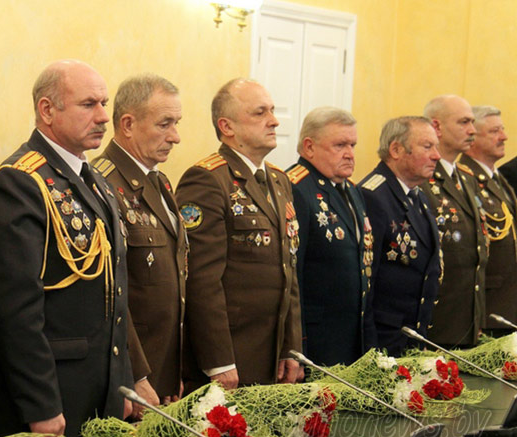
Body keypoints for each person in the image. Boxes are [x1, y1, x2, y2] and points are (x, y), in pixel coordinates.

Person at [0, 60, 133, 437]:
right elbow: (16, 311)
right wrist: (41, 405)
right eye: (88, 104)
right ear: (47, 110)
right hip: (52, 394)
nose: (103, 117)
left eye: (104, 103)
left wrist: (122, 382)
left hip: (99, 389)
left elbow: (114, 297)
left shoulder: (94, 180)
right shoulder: (20, 182)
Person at [175, 78, 301, 391]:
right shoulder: (207, 180)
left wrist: (290, 347)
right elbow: (202, 279)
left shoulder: (279, 180)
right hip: (232, 356)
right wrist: (218, 360)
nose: (274, 121)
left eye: (272, 110)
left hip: (273, 355)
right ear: (227, 126)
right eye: (260, 113)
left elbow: (288, 271)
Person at [92, 73, 187, 414]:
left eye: (176, 123)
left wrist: (176, 368)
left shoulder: (159, 182)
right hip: (131, 373)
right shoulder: (103, 183)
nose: (175, 137)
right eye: (164, 124)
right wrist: (135, 373)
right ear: (128, 124)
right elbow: (109, 292)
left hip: (163, 365)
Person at [286, 107, 372, 366]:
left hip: (352, 335)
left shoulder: (351, 189)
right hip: (317, 339)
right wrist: (296, 345)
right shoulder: (296, 188)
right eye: (339, 145)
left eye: (353, 145)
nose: (350, 154)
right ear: (309, 147)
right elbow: (294, 274)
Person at [360, 116, 442, 356]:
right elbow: (367, 279)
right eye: (427, 146)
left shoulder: (418, 196)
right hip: (385, 338)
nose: (436, 155)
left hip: (412, 336)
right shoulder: (373, 196)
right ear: (396, 150)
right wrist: (370, 348)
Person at [418, 95, 488, 348]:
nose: (472, 130)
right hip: (438, 323)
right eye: (464, 122)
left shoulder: (466, 178)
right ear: (436, 127)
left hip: (468, 320)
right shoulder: (422, 179)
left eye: (472, 123)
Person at [458, 106, 516, 335]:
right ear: (472, 138)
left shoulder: (496, 177)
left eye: (502, 129)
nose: (504, 136)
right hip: (487, 306)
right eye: (494, 131)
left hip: (505, 304)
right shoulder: (464, 179)